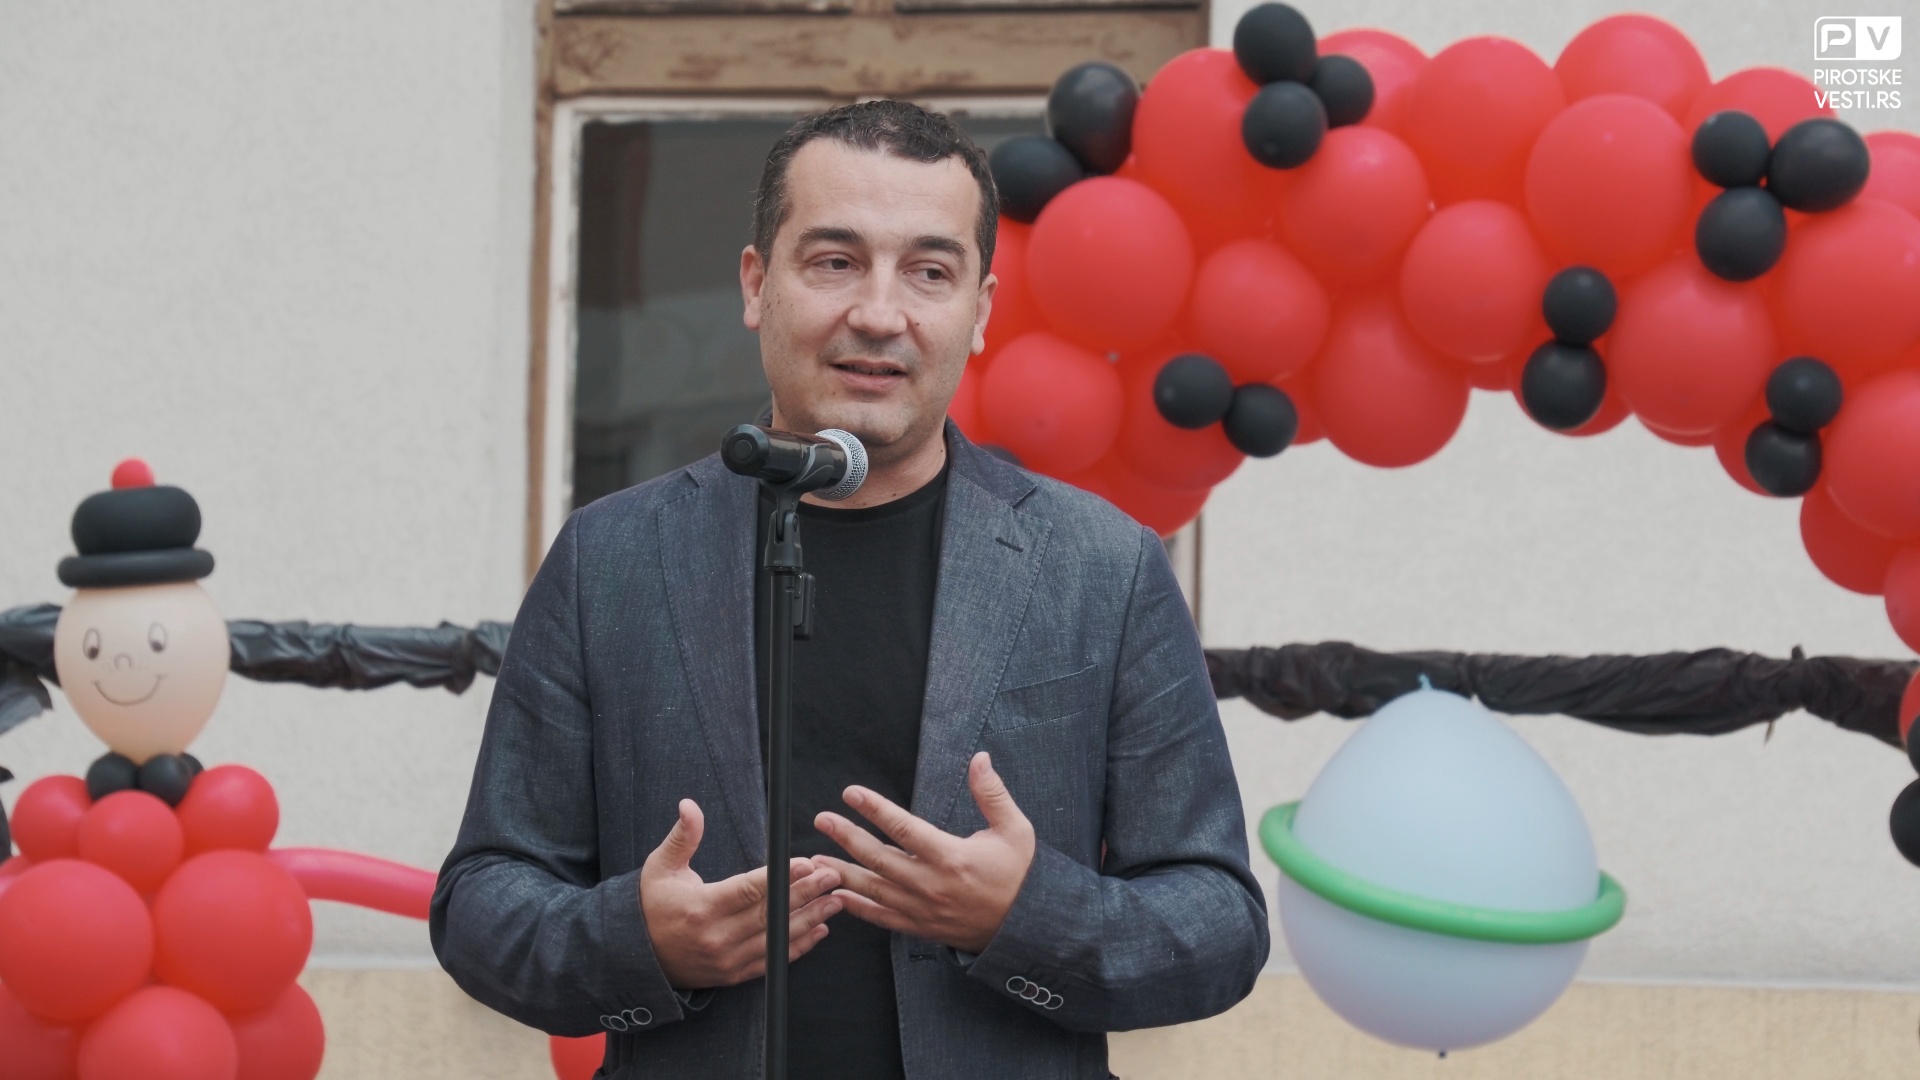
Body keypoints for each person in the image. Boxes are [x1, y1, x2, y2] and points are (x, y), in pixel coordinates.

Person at [430, 99, 1268, 1080]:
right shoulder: (610, 558)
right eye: (835, 261)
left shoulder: (1101, 566)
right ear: (757, 284)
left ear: (981, 310)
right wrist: (643, 944)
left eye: (929, 272)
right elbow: (481, 903)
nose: (879, 312)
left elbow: (1220, 925)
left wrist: (1024, 916)